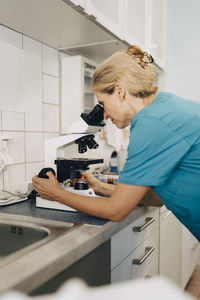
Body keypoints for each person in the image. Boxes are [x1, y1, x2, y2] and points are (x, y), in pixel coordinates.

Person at [32, 45, 200, 242]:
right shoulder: (165, 106)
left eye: (102, 102)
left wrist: (57, 194)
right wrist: (103, 188)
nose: (103, 114)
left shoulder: (151, 123)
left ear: (119, 91)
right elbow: (159, 198)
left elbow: (117, 210)